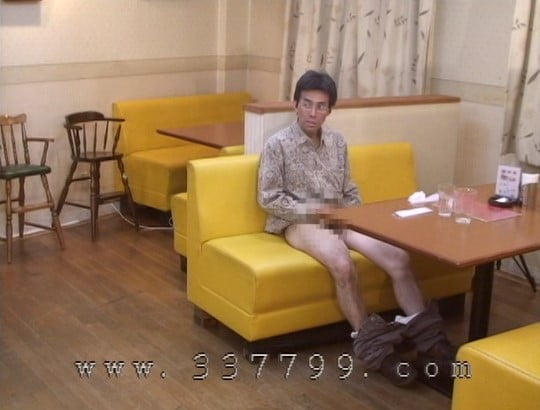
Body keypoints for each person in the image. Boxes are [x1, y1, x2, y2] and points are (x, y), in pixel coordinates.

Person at [257, 70, 456, 387]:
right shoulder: (277, 145)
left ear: (329, 110)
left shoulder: (337, 142)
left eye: (321, 106)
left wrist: (356, 215)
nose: (312, 112)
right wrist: (313, 210)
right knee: (342, 263)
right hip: (299, 221)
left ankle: (430, 342)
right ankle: (377, 350)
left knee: (398, 258)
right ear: (295, 104)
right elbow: (268, 198)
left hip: (341, 216)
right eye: (307, 104)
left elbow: (350, 189)